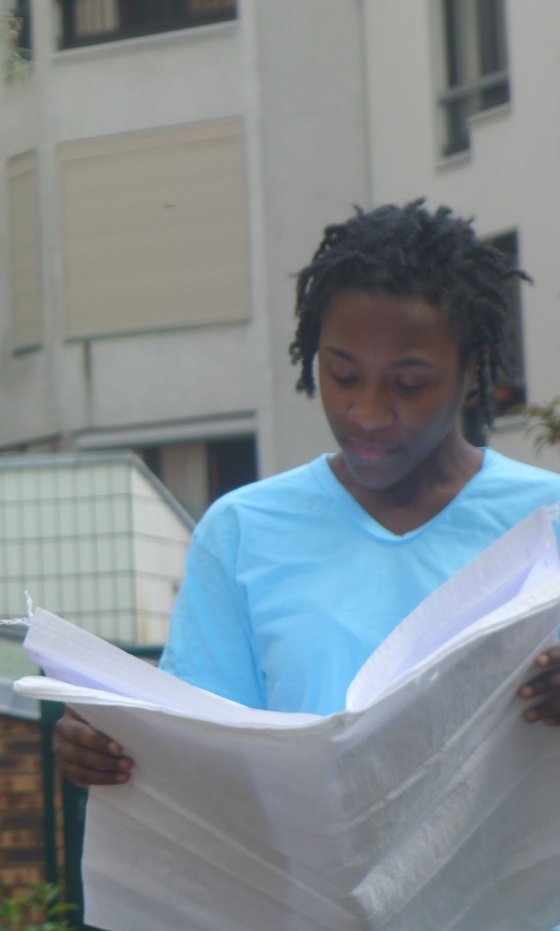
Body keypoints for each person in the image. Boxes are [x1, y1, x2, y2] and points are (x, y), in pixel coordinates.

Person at [54, 202, 560, 792]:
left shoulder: (547, 519)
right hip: (300, 884)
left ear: (473, 372)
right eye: (341, 375)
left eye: (409, 384)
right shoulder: (242, 533)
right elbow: (201, 758)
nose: (366, 413)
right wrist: (111, 748)